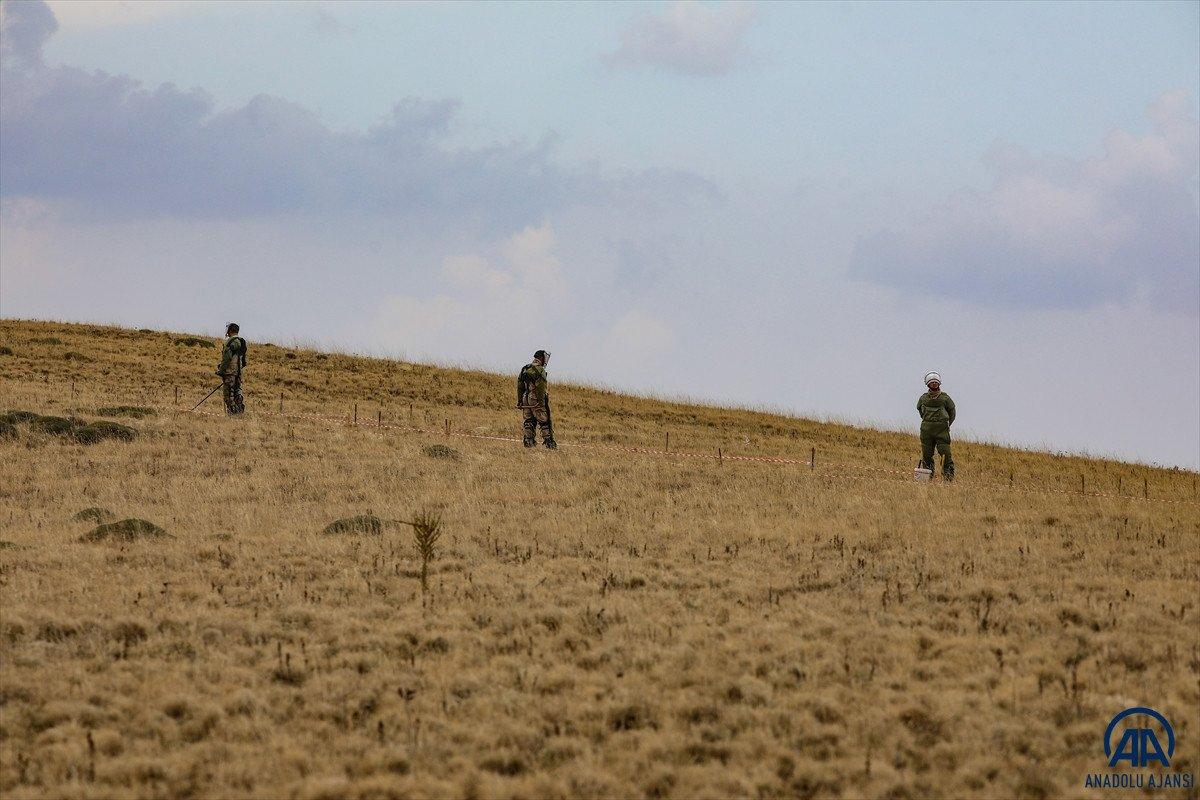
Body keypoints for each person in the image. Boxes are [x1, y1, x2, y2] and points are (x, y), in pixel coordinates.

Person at [917, 371, 955, 481]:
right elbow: (920, 410)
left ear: (939, 383)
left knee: (945, 455)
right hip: (926, 432)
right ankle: (926, 479)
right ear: (927, 384)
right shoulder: (923, 398)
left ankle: (948, 479)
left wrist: (946, 424)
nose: (934, 384)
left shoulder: (945, 398)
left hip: (942, 432)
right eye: (931, 382)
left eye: (935, 382)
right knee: (927, 456)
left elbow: (952, 412)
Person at [517, 349, 556, 449]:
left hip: (525, 397)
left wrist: (520, 401)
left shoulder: (525, 368)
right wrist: (541, 402)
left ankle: (528, 442)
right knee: (544, 420)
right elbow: (540, 388)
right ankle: (549, 443)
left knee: (528, 420)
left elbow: (520, 386)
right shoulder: (540, 370)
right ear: (541, 358)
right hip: (535, 397)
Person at [217, 323, 247, 415]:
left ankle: (233, 416)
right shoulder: (242, 341)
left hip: (229, 372)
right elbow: (244, 361)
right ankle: (240, 411)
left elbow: (227, 358)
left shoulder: (230, 342)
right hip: (238, 372)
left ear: (229, 331)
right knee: (238, 392)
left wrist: (221, 370)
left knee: (229, 395)